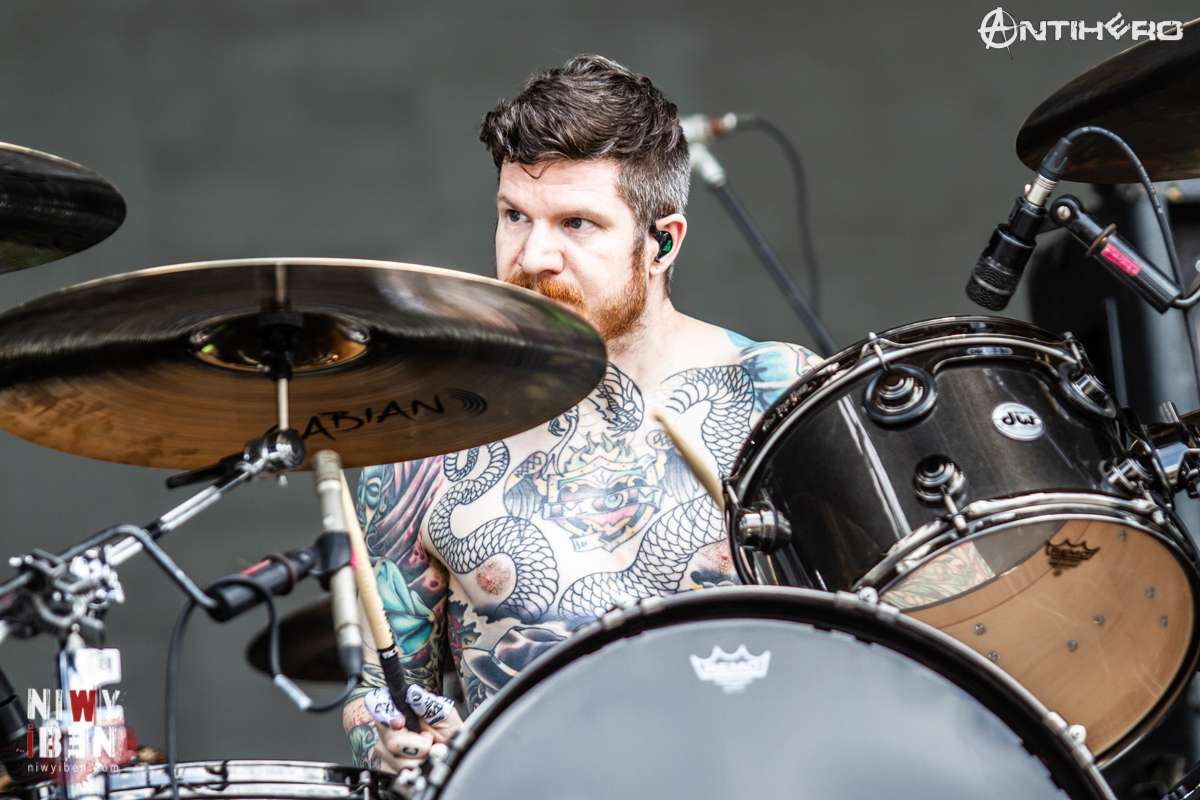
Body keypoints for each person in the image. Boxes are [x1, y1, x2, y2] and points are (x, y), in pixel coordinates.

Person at [342, 54, 821, 772]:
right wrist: (389, 739)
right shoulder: (423, 437)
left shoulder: (780, 394)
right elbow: (377, 689)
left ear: (662, 242)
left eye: (576, 223)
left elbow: (911, 628)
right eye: (514, 216)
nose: (534, 255)